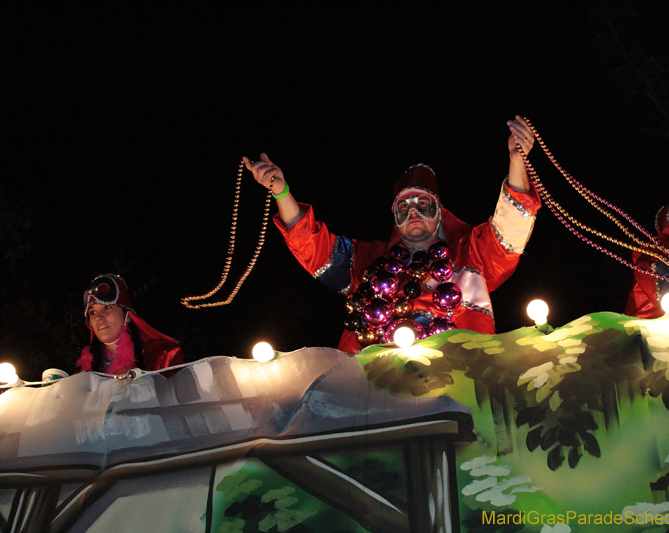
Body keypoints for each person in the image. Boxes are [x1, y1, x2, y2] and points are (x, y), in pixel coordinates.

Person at [244, 116, 541, 353]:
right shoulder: (370, 260)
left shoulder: (471, 252)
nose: (412, 211)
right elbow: (313, 246)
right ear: (394, 217)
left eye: (422, 203)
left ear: (439, 211)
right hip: (376, 382)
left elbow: (510, 228)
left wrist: (517, 162)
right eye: (403, 206)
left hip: (461, 373)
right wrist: (281, 192)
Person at [77, 274, 184, 374]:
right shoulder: (85, 370)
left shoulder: (163, 356)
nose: (99, 318)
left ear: (127, 316)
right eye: (93, 312)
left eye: (107, 307)